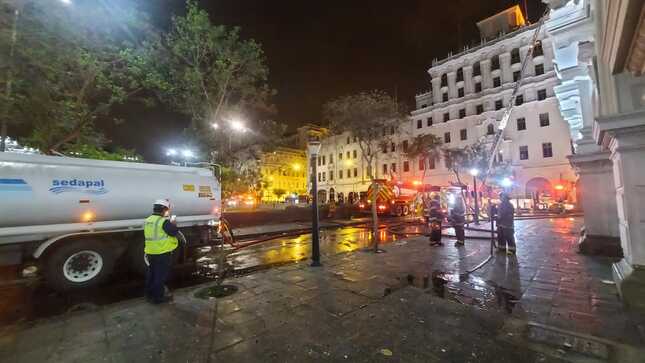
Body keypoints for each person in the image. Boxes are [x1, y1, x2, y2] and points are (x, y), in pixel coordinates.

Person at [144, 199, 179, 304]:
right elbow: (174, 232)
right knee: (160, 276)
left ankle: (149, 294)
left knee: (152, 274)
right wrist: (173, 223)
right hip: (162, 252)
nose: (167, 212)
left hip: (150, 252)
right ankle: (158, 298)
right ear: (163, 209)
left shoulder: (148, 220)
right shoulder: (163, 221)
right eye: (167, 210)